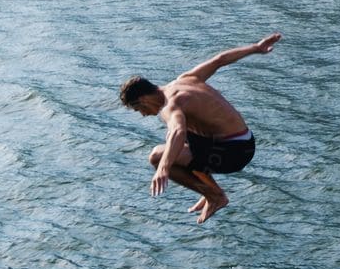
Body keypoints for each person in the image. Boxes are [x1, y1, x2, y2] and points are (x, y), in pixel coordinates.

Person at [119, 34, 280, 223]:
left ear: (143, 99)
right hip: (244, 141)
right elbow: (219, 60)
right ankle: (211, 192)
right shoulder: (185, 80)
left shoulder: (171, 105)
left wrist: (163, 168)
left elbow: (177, 132)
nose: (144, 115)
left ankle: (215, 196)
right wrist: (255, 48)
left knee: (157, 156)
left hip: (233, 154)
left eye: (139, 109)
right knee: (188, 136)